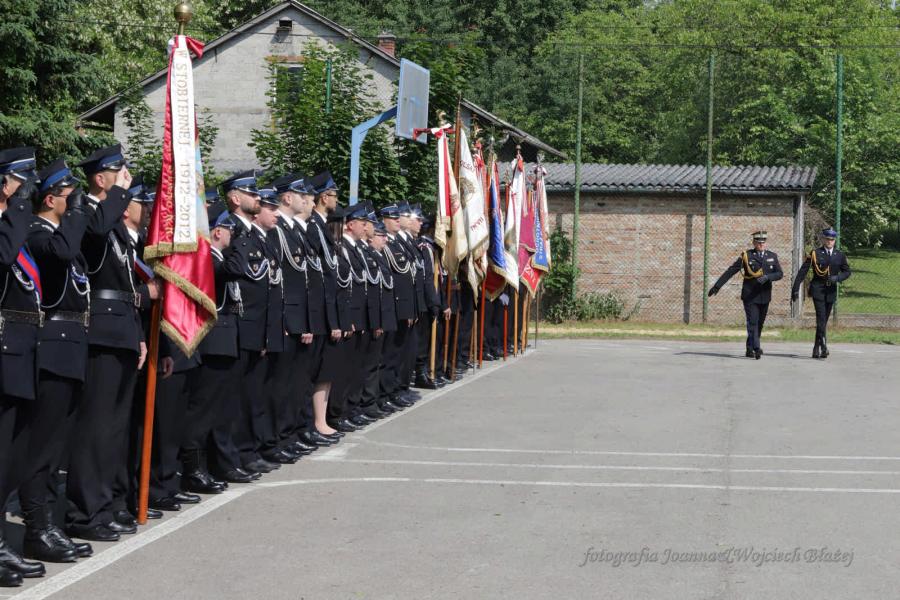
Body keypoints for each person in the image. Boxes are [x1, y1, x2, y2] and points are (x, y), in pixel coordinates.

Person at [66, 145, 160, 542]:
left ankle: (104, 506)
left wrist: (138, 336)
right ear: (100, 178)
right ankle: (84, 513)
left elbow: (125, 282)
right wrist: (120, 193)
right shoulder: (87, 212)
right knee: (95, 428)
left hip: (122, 330)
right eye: (118, 173)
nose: (125, 180)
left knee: (114, 429)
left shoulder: (114, 222)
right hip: (100, 333)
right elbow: (95, 237)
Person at [18, 159, 93, 564]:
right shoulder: (36, 232)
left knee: (55, 447)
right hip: (52, 347)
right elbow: (62, 253)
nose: (76, 202)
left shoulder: (61, 234)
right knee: (41, 447)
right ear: (50, 199)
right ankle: (36, 528)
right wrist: (78, 213)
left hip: (71, 347)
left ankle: (47, 525)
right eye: (70, 195)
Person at [0, 147, 46, 586]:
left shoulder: (13, 224)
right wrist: (15, 209)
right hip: (4, 351)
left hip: (20, 351)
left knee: (9, 457)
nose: (26, 188)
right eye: (20, 180)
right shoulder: (9, 226)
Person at [708, 231, 783, 359]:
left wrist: (768, 277)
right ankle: (757, 348)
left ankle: (749, 348)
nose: (761, 244)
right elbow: (731, 270)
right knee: (753, 322)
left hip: (764, 295)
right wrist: (717, 286)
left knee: (759, 323)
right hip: (750, 296)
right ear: (754, 243)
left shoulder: (772, 256)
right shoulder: (746, 256)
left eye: (763, 242)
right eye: (758, 242)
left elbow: (780, 274)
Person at [790, 228, 851, 358]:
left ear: (835, 241)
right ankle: (824, 346)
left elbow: (847, 272)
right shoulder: (815, 253)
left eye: (832, 240)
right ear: (823, 239)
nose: (829, 242)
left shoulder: (839, 255)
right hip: (818, 289)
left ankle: (815, 347)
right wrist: (795, 288)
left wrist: (837, 278)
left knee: (823, 320)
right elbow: (803, 271)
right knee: (821, 318)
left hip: (831, 291)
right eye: (827, 239)